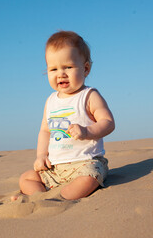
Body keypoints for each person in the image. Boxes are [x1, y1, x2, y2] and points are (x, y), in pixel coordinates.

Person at [12, 31, 115, 201]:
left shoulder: (89, 96)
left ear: (86, 68)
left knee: (90, 178)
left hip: (85, 163)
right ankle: (38, 198)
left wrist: (87, 131)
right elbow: (45, 131)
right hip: (56, 168)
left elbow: (108, 122)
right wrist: (41, 156)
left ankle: (58, 200)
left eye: (68, 67)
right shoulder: (51, 101)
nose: (61, 73)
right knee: (27, 177)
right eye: (53, 69)